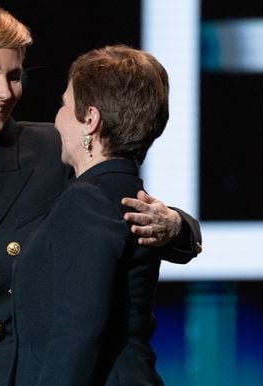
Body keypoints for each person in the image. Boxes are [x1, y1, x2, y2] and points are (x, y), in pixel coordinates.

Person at [0, 1, 201, 385]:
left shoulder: (56, 149)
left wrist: (176, 225)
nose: (4, 91)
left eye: (14, 75)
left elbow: (123, 205)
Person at [12, 45, 174, 385]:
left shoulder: (87, 201)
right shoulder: (124, 192)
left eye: (64, 105)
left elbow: (78, 329)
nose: (56, 118)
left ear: (90, 119)